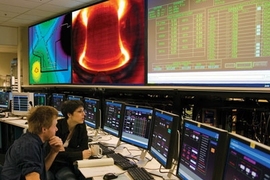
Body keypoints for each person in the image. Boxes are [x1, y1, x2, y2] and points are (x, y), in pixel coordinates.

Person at [1, 106, 64, 180]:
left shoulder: (34, 141)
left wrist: (54, 152)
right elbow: (32, 178)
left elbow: (40, 171)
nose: (57, 129)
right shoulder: (29, 147)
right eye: (55, 126)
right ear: (44, 129)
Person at [47, 100, 91, 180]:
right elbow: (55, 154)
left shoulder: (81, 126)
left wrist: (65, 151)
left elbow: (84, 148)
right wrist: (79, 154)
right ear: (69, 114)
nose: (84, 114)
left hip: (70, 164)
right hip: (54, 165)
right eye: (79, 111)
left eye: (83, 111)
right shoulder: (56, 127)